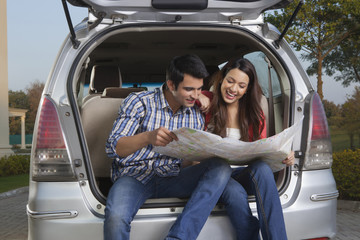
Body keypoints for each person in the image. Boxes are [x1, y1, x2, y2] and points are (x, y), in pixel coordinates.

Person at [104, 54, 234, 240]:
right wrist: (148, 137)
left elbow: (190, 160)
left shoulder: (195, 113)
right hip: (134, 176)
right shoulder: (139, 102)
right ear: (171, 85)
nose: (195, 95)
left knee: (220, 167)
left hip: (173, 176)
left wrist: (204, 153)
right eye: (189, 89)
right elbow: (113, 147)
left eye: (199, 89)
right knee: (116, 218)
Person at [198, 57, 295, 240]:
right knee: (235, 192)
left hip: (242, 173)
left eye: (241, 85)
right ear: (221, 79)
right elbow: (179, 95)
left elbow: (263, 149)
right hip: (213, 174)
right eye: (230, 81)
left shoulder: (255, 113)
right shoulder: (207, 101)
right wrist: (198, 95)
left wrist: (283, 156)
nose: (234, 89)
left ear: (248, 89)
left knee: (262, 168)